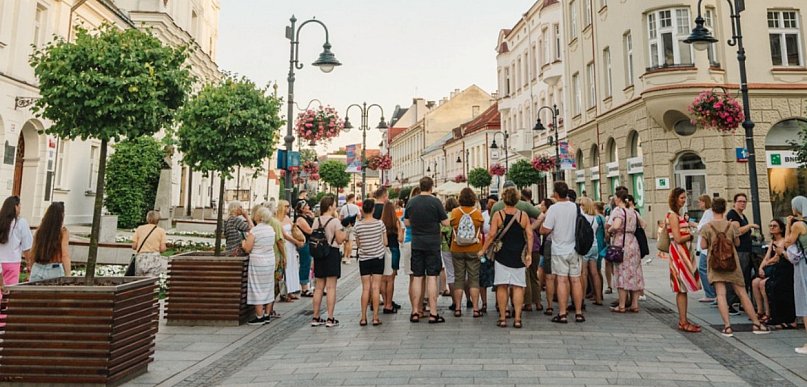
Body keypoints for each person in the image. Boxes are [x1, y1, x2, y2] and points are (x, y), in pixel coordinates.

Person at [700, 197, 770, 336]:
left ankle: (727, 327)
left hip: (715, 264)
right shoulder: (731, 226)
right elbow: (737, 243)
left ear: (712, 209)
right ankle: (756, 324)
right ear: (725, 208)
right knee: (742, 293)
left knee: (721, 294)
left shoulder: (707, 227)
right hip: (732, 264)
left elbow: (702, 245)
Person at [480, 187, 532, 328]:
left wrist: (483, 250)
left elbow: (491, 235)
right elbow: (529, 234)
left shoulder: (498, 215)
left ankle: (503, 318)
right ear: (516, 199)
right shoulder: (523, 215)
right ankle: (517, 319)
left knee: (502, 286)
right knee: (518, 286)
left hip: (502, 254)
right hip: (519, 255)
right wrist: (529, 253)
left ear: (503, 199)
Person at [405, 177, 449, 324]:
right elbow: (445, 222)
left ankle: (415, 311)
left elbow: (406, 222)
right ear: (431, 187)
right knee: (432, 277)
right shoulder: (435, 201)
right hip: (432, 244)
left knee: (417, 277)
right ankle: (433, 313)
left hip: (417, 243)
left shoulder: (411, 202)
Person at [540, 182, 585, 323]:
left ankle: (563, 313)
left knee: (561, 281)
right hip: (574, 249)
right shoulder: (575, 207)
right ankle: (578, 312)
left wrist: (541, 228)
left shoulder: (554, 209)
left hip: (559, 249)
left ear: (556, 194)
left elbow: (545, 229)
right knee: (576, 280)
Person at [666, 187, 702, 333]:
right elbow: (677, 238)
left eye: (684, 198)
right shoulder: (673, 215)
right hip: (679, 254)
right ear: (675, 199)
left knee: (683, 289)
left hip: (683, 253)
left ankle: (684, 320)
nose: (684, 200)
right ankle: (683, 321)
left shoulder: (677, 214)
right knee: (681, 288)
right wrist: (691, 236)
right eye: (681, 198)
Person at [242, 207, 284, 326]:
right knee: (268, 287)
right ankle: (267, 315)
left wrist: (243, 243)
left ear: (259, 217)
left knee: (257, 287)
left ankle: (259, 316)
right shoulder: (270, 229)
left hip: (258, 262)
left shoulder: (255, 231)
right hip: (270, 261)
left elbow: (247, 248)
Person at [310, 196, 347, 328]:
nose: (336, 207)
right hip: (331, 253)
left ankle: (315, 316)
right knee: (331, 287)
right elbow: (340, 239)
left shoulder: (316, 221)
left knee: (319, 287)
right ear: (330, 206)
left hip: (319, 255)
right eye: (335, 205)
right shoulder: (335, 221)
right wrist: (345, 232)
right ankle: (330, 318)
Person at [752, 219, 795, 329]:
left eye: (774, 226)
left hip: (778, 270)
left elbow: (776, 258)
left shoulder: (784, 241)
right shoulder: (772, 242)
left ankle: (768, 312)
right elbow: (767, 257)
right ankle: (760, 310)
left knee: (763, 284)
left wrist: (767, 263)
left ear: (781, 228)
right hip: (770, 268)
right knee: (755, 282)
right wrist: (761, 268)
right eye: (770, 225)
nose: (772, 228)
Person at [608, 191, 645, 312]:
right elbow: (643, 224)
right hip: (633, 243)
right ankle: (635, 304)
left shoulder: (619, 211)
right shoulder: (633, 211)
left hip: (621, 243)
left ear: (618, 199)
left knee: (622, 273)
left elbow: (617, 225)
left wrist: (611, 229)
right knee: (634, 273)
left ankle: (622, 305)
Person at [449, 188, 484, 318]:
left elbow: (450, 224)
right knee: (474, 279)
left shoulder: (455, 212)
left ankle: (458, 308)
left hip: (457, 248)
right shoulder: (477, 213)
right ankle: (475, 309)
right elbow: (482, 227)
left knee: (459, 278)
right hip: (474, 248)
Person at [725, 193, 760, 315]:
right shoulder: (732, 215)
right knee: (737, 276)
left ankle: (741, 303)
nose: (742, 203)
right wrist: (749, 226)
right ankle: (731, 303)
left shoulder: (742, 215)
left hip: (746, 249)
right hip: (739, 250)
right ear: (735, 202)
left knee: (745, 276)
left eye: (744, 201)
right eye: (740, 201)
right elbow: (737, 232)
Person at [353, 199, 387, 326]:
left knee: (365, 288)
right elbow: (385, 242)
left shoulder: (358, 225)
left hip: (364, 259)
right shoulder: (379, 224)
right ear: (373, 209)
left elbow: (358, 243)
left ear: (363, 210)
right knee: (376, 287)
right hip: (378, 257)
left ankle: (363, 317)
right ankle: (375, 317)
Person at [785, 196, 807, 354]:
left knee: (805, 302)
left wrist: (788, 224)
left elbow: (787, 242)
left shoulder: (798, 225)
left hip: (804, 266)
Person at [28, 202, 71, 282]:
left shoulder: (40, 230)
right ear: (61, 215)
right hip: (54, 270)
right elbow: (64, 255)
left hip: (37, 268)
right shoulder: (63, 232)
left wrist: (31, 266)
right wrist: (68, 274)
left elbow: (33, 251)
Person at [0, 196, 33, 295]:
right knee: (8, 293)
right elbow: (27, 247)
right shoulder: (21, 223)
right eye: (19, 206)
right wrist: (28, 263)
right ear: (15, 207)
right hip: (12, 262)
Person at [579, 197, 604, 307]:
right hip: (595, 246)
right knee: (594, 272)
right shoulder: (595, 218)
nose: (580, 206)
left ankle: (582, 299)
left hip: (585, 247)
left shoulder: (583, 217)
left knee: (583, 273)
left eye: (582, 205)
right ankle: (598, 297)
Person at [521, 188, 542, 312]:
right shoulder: (535, 217)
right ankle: (538, 302)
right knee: (534, 276)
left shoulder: (521, 217)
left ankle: (528, 303)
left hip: (525, 249)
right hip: (535, 248)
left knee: (526, 276)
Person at [381, 201, 403, 314]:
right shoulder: (397, 222)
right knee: (391, 280)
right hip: (394, 250)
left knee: (383, 280)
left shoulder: (380, 223)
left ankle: (385, 303)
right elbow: (400, 239)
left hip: (383, 251)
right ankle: (389, 304)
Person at [276, 200, 301, 299]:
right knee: (286, 268)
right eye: (286, 206)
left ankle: (291, 290)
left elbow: (293, 228)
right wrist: (296, 241)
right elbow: (284, 235)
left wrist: (298, 237)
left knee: (292, 266)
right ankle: (284, 292)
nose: (288, 208)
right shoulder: (278, 219)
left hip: (291, 245)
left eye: (288, 206)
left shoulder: (287, 217)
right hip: (286, 243)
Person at [131, 210, 168, 277]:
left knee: (139, 281)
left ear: (147, 218)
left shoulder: (139, 229)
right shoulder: (161, 231)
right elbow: (162, 249)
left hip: (141, 258)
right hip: (154, 258)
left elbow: (134, 246)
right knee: (151, 281)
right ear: (158, 220)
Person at [535, 198, 555, 315]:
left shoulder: (547, 214)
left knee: (548, 275)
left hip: (549, 244)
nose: (540, 207)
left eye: (542, 205)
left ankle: (549, 305)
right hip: (564, 246)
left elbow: (543, 230)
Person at [695, 195, 716, 303]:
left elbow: (702, 228)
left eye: (700, 202)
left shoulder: (708, 213)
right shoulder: (708, 213)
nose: (698, 204)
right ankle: (712, 293)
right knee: (706, 269)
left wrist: (694, 225)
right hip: (705, 247)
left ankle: (710, 293)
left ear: (704, 202)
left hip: (706, 248)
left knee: (703, 269)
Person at [295, 200, 315, 297]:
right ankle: (304, 288)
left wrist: (313, 217)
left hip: (309, 243)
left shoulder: (307, 217)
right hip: (304, 244)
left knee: (309, 264)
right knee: (305, 264)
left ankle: (308, 285)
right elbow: (309, 231)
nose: (308, 206)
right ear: (302, 209)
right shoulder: (300, 219)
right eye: (306, 205)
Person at [441, 197, 459, 304]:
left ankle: (455, 302)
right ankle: (468, 299)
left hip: (446, 248)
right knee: (462, 274)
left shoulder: (445, 218)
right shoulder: (459, 216)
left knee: (451, 274)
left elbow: (441, 234)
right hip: (460, 247)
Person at [339, 194, 360, 264]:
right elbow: (359, 217)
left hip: (345, 226)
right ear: (352, 198)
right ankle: (348, 258)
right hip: (353, 226)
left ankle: (344, 257)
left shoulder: (344, 207)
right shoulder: (356, 207)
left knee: (345, 242)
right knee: (351, 242)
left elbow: (341, 217)